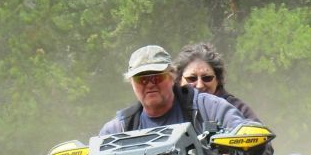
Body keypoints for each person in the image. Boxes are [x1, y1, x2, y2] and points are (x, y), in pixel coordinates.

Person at [98, 44, 250, 136]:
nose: (150, 84)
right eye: (141, 79)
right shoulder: (120, 128)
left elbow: (248, 136)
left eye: (157, 77)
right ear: (131, 83)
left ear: (172, 77)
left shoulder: (208, 108)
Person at [173, 41, 264, 122]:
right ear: (179, 80)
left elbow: (263, 138)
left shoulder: (235, 107)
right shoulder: (169, 108)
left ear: (217, 80)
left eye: (207, 78)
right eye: (192, 78)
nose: (200, 85)